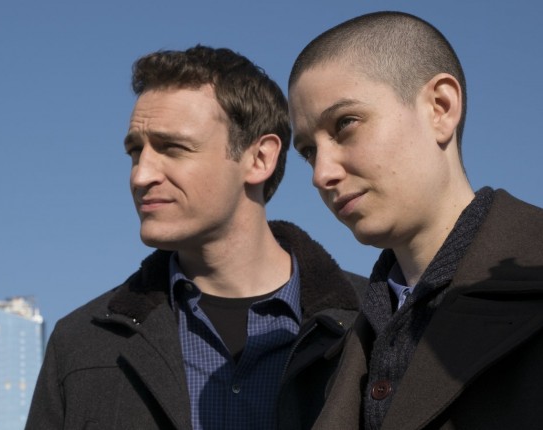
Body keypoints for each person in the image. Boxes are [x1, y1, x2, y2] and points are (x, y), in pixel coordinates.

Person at [25, 45, 366, 430]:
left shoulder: (376, 324)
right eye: (135, 152)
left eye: (172, 148)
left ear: (259, 158)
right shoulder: (80, 345)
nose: (141, 176)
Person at [288, 11, 543, 430]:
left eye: (345, 124)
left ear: (440, 108)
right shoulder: (323, 354)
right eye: (308, 152)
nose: (321, 174)